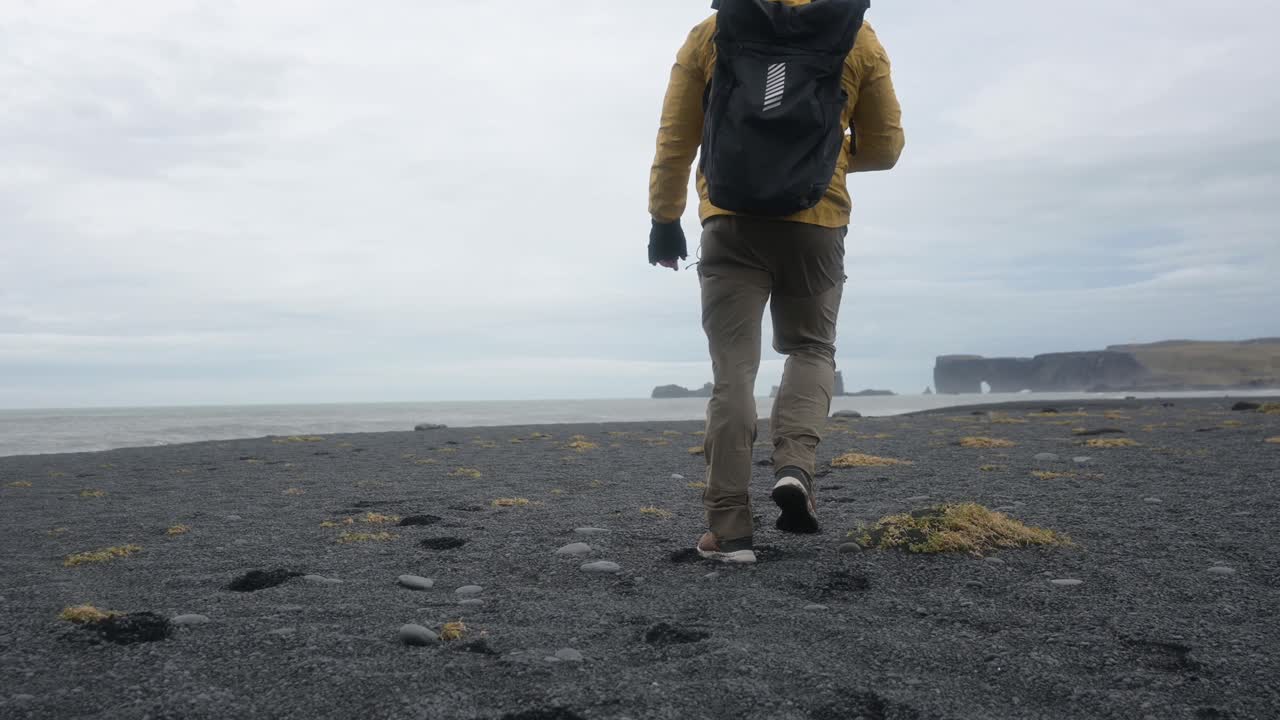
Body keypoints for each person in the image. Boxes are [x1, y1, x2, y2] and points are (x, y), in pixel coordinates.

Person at [647, 0, 904, 564]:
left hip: (729, 219)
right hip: (817, 220)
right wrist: (824, 161)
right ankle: (794, 471)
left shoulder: (712, 30)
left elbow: (676, 136)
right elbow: (886, 148)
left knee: (733, 370)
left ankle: (731, 531)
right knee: (811, 348)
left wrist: (664, 218)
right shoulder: (856, 34)